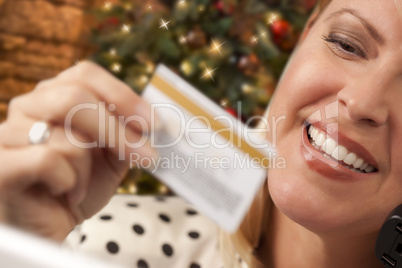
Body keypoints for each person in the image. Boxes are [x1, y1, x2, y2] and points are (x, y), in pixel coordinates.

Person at [0, 0, 401, 267]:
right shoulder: (103, 247)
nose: (363, 103)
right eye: (347, 44)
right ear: (304, 39)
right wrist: (20, 249)